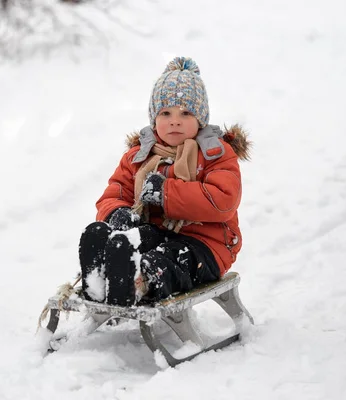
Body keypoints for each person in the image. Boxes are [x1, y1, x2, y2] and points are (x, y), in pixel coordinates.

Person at [78, 57, 250, 307]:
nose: (175, 120)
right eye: (166, 113)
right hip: (158, 233)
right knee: (130, 240)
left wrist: (166, 193)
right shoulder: (139, 156)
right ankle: (101, 275)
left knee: (165, 258)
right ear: (154, 118)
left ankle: (138, 280)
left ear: (200, 119)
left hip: (205, 245)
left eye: (186, 113)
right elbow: (114, 193)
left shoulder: (216, 153)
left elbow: (223, 200)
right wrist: (117, 212)